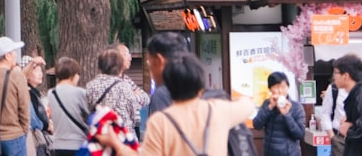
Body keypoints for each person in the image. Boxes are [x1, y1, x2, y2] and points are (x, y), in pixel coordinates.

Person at [97, 53, 255, 156]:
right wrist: (242, 99)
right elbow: (248, 105)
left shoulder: (160, 121)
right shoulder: (219, 109)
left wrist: (116, 144)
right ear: (200, 85)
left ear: (169, 86)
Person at [85, 48, 149, 139]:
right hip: (123, 135)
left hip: (101, 135)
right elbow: (134, 115)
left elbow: (88, 109)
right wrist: (136, 96)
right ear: (118, 65)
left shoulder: (90, 86)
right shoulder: (124, 86)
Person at [0, 36, 30, 156]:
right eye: (13, 53)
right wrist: (24, 131)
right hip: (14, 136)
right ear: (6, 56)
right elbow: (24, 108)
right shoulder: (16, 76)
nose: (16, 55)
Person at [335, 53, 362, 156]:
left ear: (346, 76)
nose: (334, 77)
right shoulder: (358, 96)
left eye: (336, 73)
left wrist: (348, 130)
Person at [252, 71, 304, 156]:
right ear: (270, 89)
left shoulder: (296, 107)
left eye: (283, 87)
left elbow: (300, 135)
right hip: (269, 153)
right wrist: (270, 107)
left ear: (288, 87)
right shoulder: (267, 103)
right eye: (276, 87)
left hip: (290, 153)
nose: (280, 91)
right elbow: (257, 125)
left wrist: (287, 115)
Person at [46, 57, 90, 156]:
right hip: (79, 144)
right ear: (73, 75)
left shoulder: (51, 93)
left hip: (58, 146)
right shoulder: (80, 93)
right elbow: (89, 117)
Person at [143, 32, 190, 114]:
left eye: (149, 61)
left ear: (158, 60)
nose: (149, 67)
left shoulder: (161, 95)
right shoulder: (195, 88)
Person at [22, 56, 50, 156]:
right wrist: (47, 125)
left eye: (41, 71)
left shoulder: (36, 94)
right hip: (33, 138)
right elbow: (33, 120)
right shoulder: (27, 93)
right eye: (36, 70)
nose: (40, 74)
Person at [322, 79, 350, 156]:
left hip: (359, 139)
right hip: (339, 137)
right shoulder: (334, 88)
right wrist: (332, 137)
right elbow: (325, 113)